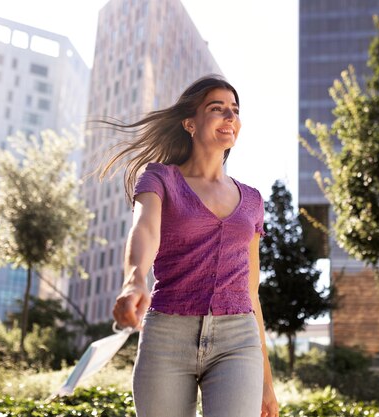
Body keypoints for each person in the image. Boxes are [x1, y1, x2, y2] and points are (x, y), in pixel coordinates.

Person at [105, 75, 278, 417]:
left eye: (235, 110)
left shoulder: (253, 200)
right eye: (217, 109)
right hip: (168, 334)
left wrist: (266, 381)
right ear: (190, 123)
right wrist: (135, 279)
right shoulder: (160, 178)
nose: (230, 117)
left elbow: (251, 291)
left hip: (238, 340)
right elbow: (144, 229)